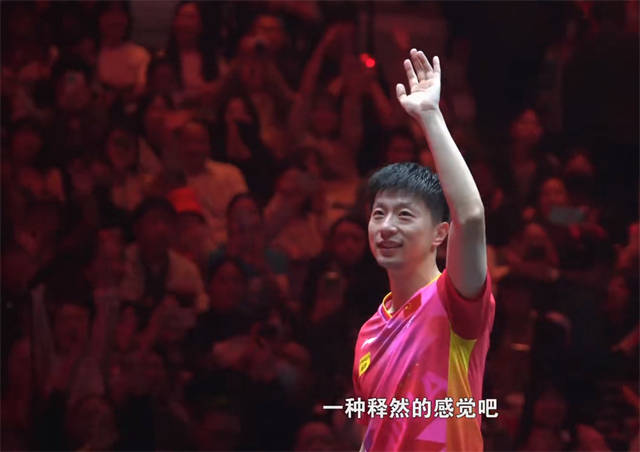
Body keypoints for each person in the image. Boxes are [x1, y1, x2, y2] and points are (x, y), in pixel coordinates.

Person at [352, 49, 496, 451]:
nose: (386, 226)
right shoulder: (368, 334)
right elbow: (375, 434)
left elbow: (471, 216)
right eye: (378, 214)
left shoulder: (454, 301)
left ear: (440, 233)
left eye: (404, 215)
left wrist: (430, 117)